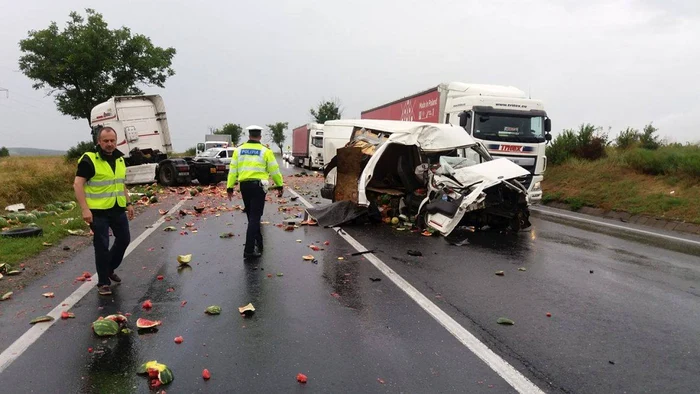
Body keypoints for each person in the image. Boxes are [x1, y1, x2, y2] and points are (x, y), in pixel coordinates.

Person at [73, 126, 134, 296]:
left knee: (124, 240)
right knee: (102, 246)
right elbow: (78, 184)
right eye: (105, 141)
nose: (109, 144)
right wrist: (85, 209)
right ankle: (103, 283)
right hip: (98, 211)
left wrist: (129, 203)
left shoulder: (120, 159)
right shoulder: (89, 159)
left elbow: (120, 184)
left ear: (116, 141)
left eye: (112, 140)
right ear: (99, 142)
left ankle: (109, 268)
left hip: (117, 208)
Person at [227, 125, 284, 259]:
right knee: (255, 217)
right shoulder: (266, 151)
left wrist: (229, 187)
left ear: (249, 136)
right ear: (259, 136)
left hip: (244, 186)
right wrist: (280, 185)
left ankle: (259, 242)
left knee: (251, 216)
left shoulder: (239, 150)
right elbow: (274, 170)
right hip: (259, 187)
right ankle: (249, 250)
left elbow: (233, 170)